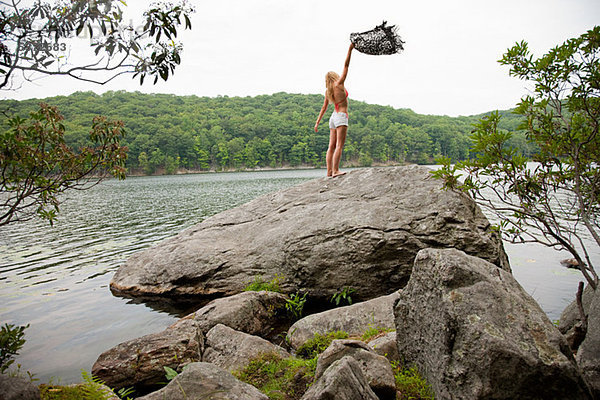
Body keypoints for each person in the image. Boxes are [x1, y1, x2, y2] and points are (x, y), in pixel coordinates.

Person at [314, 42, 354, 177]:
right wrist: (350, 49)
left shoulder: (328, 91)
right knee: (339, 146)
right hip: (341, 116)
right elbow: (346, 65)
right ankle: (336, 170)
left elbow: (324, 107)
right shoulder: (339, 83)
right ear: (335, 77)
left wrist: (317, 122)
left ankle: (329, 172)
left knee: (331, 146)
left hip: (332, 118)